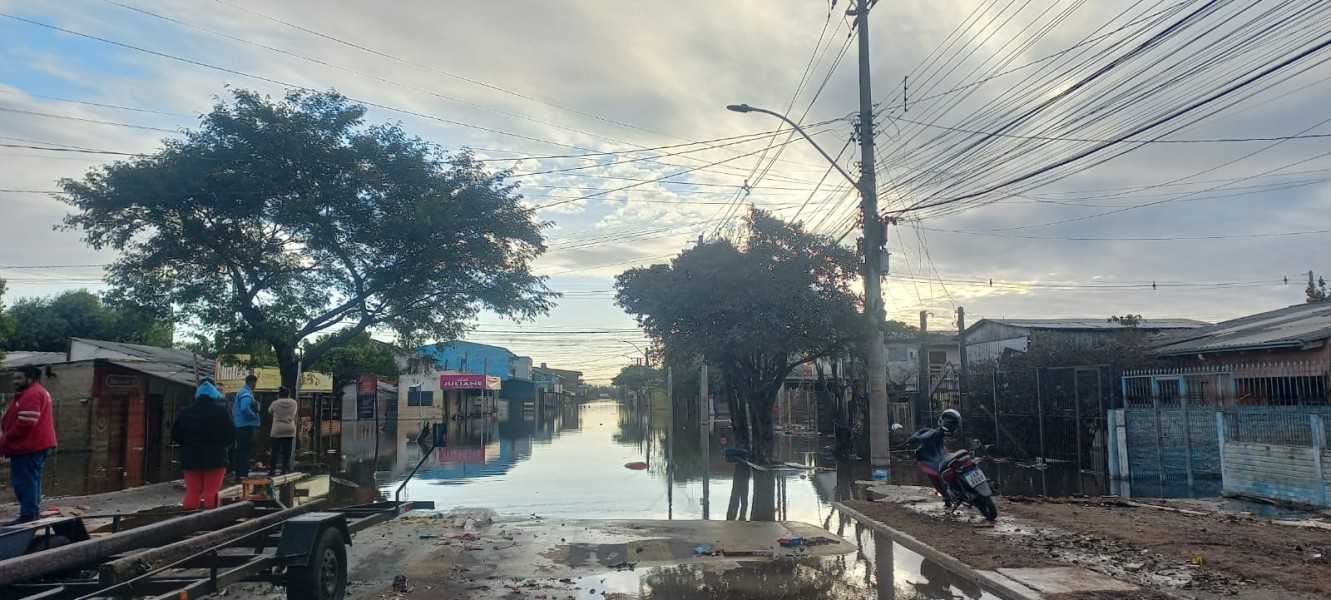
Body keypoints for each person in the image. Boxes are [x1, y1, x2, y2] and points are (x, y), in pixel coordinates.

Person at [2, 364, 58, 525]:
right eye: (14, 378)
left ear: (30, 378)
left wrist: (6, 439)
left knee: (24, 481)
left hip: (29, 446)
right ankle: (31, 512)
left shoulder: (32, 394)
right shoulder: (35, 392)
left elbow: (26, 423)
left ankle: (28, 514)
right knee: (31, 480)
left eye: (19, 378)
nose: (15, 381)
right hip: (36, 444)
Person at [172, 383, 236, 510]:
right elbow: (231, 434)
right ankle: (211, 523)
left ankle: (188, 522)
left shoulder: (185, 412)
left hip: (190, 457)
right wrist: (221, 444)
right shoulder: (221, 412)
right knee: (211, 491)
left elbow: (175, 434)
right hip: (215, 457)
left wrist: (187, 444)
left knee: (193, 491)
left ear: (197, 397)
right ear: (214, 397)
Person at [231, 375, 260, 480]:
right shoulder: (246, 393)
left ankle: (239, 473)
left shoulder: (241, 392)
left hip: (240, 425)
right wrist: (253, 416)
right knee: (244, 450)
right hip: (245, 425)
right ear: (253, 383)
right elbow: (245, 408)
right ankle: (243, 473)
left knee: (240, 449)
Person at [267, 386, 297, 476]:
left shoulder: (275, 403)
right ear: (288, 395)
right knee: (287, 451)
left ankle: (272, 470)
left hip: (277, 429)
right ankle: (284, 470)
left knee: (275, 451)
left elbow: (269, 411)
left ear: (278, 395)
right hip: (290, 429)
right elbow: (294, 414)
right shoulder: (294, 403)